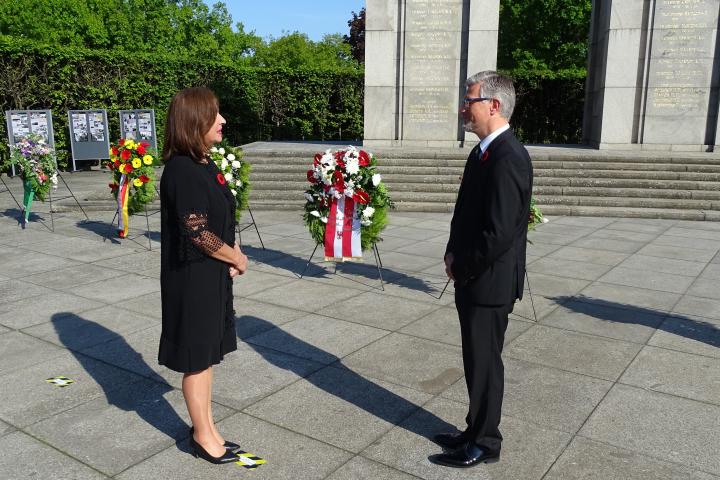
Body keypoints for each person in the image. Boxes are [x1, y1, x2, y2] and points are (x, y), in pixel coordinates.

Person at [430, 71, 533, 468]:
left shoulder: (509, 156)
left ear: (493, 105)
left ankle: (487, 441)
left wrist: (465, 266)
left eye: (469, 100)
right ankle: (474, 428)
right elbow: (468, 215)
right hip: (474, 275)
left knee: (486, 362)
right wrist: (452, 251)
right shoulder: (484, 151)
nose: (463, 108)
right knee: (475, 359)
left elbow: (498, 232)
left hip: (488, 281)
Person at [159, 86, 248, 464]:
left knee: (207, 357)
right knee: (197, 358)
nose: (223, 121)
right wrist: (237, 257)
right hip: (192, 280)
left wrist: (232, 252)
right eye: (215, 115)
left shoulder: (202, 163)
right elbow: (198, 233)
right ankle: (202, 436)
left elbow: (215, 220)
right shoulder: (182, 169)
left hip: (208, 277)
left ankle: (207, 428)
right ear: (195, 121)